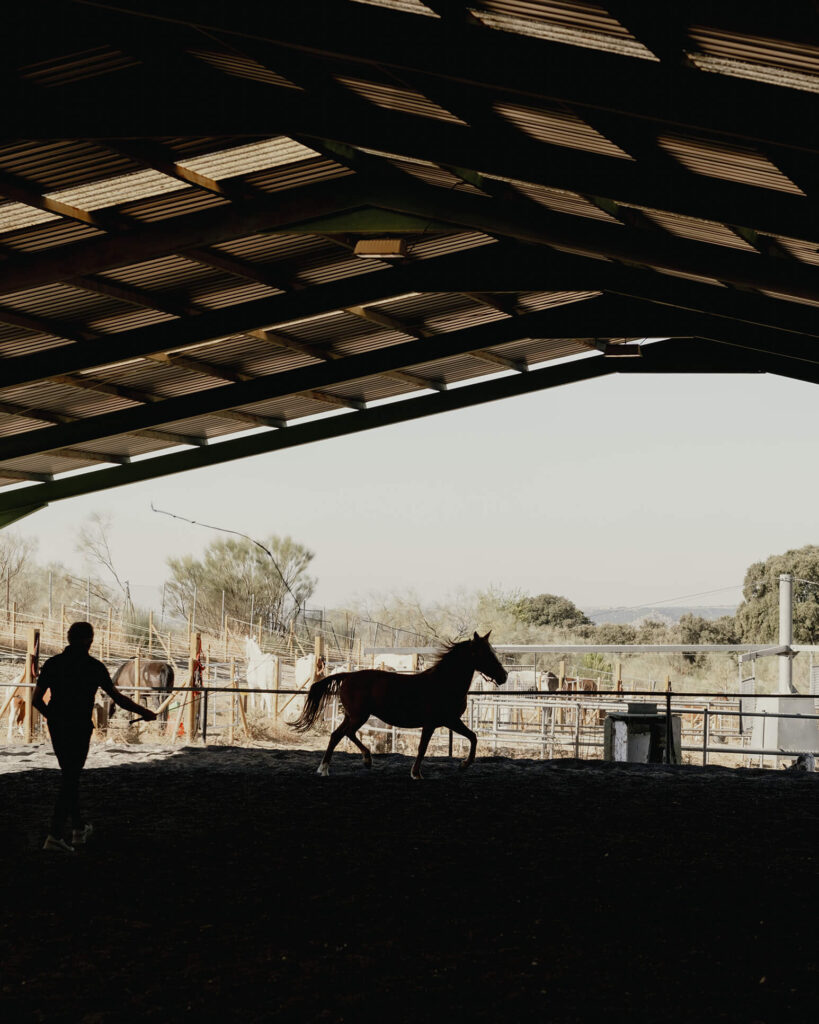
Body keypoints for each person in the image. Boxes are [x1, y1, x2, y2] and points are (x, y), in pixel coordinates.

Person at [32, 621, 157, 853]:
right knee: (71, 778)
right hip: (79, 726)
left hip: (58, 727)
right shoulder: (94, 667)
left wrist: (53, 718)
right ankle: (55, 835)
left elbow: (36, 700)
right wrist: (145, 712)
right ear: (89, 640)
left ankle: (79, 829)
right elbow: (117, 698)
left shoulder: (53, 664)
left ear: (69, 638)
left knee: (70, 776)